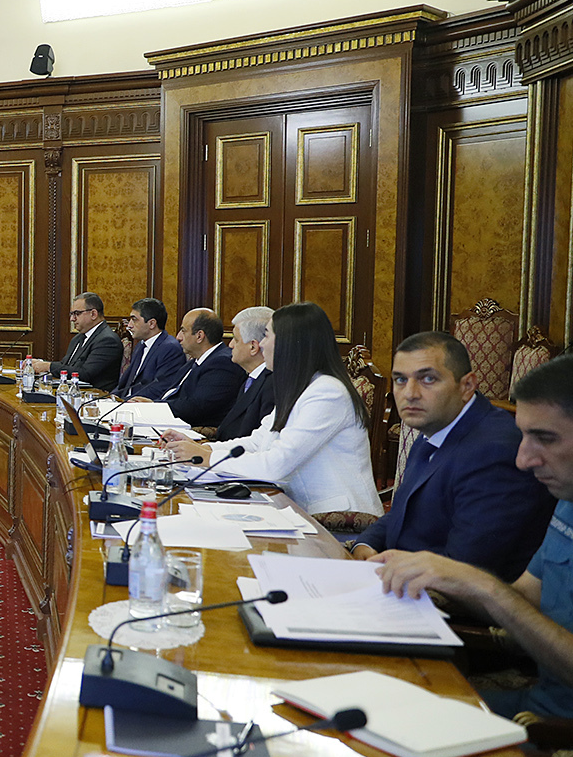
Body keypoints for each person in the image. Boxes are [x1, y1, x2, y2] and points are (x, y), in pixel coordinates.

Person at [375, 355, 573, 721]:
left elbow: (499, 595)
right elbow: (526, 596)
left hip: (552, 730)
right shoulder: (567, 501)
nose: (523, 460)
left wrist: (481, 586)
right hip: (533, 699)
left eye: (544, 439)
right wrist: (436, 578)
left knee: (385, 713)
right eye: (524, 436)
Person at [344, 332, 552, 578]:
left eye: (428, 379)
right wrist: (365, 544)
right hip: (404, 580)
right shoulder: (436, 427)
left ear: (467, 386)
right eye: (400, 380)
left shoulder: (494, 452)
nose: (410, 393)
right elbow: (404, 512)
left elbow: (465, 569)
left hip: (446, 596)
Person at [163, 301, 380, 521]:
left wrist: (207, 457)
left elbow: (277, 464)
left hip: (336, 520)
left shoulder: (327, 393)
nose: (262, 344)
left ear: (290, 343)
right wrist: (200, 449)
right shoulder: (300, 386)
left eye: (267, 336)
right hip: (294, 508)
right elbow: (257, 441)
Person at [131, 308, 245, 428]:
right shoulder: (193, 362)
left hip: (193, 429)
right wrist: (150, 405)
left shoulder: (223, 363)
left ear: (199, 336)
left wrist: (154, 407)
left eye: (183, 331)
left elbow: (196, 407)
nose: (178, 337)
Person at [32, 292, 121, 391]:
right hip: (73, 391)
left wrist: (48, 366)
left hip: (94, 395)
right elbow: (66, 365)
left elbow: (85, 374)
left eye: (77, 314)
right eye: (71, 314)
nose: (72, 319)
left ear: (93, 314)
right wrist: (42, 364)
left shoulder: (107, 340)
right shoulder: (78, 338)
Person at [213, 306, 275, 442]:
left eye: (235, 339)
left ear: (253, 347)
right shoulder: (251, 378)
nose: (230, 345)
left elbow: (256, 441)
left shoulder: (271, 386)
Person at [112, 298, 185, 398]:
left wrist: (125, 401)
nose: (129, 325)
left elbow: (160, 389)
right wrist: (110, 398)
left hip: (143, 404)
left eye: (134, 320)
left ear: (152, 324)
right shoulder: (140, 345)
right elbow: (124, 384)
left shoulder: (170, 348)